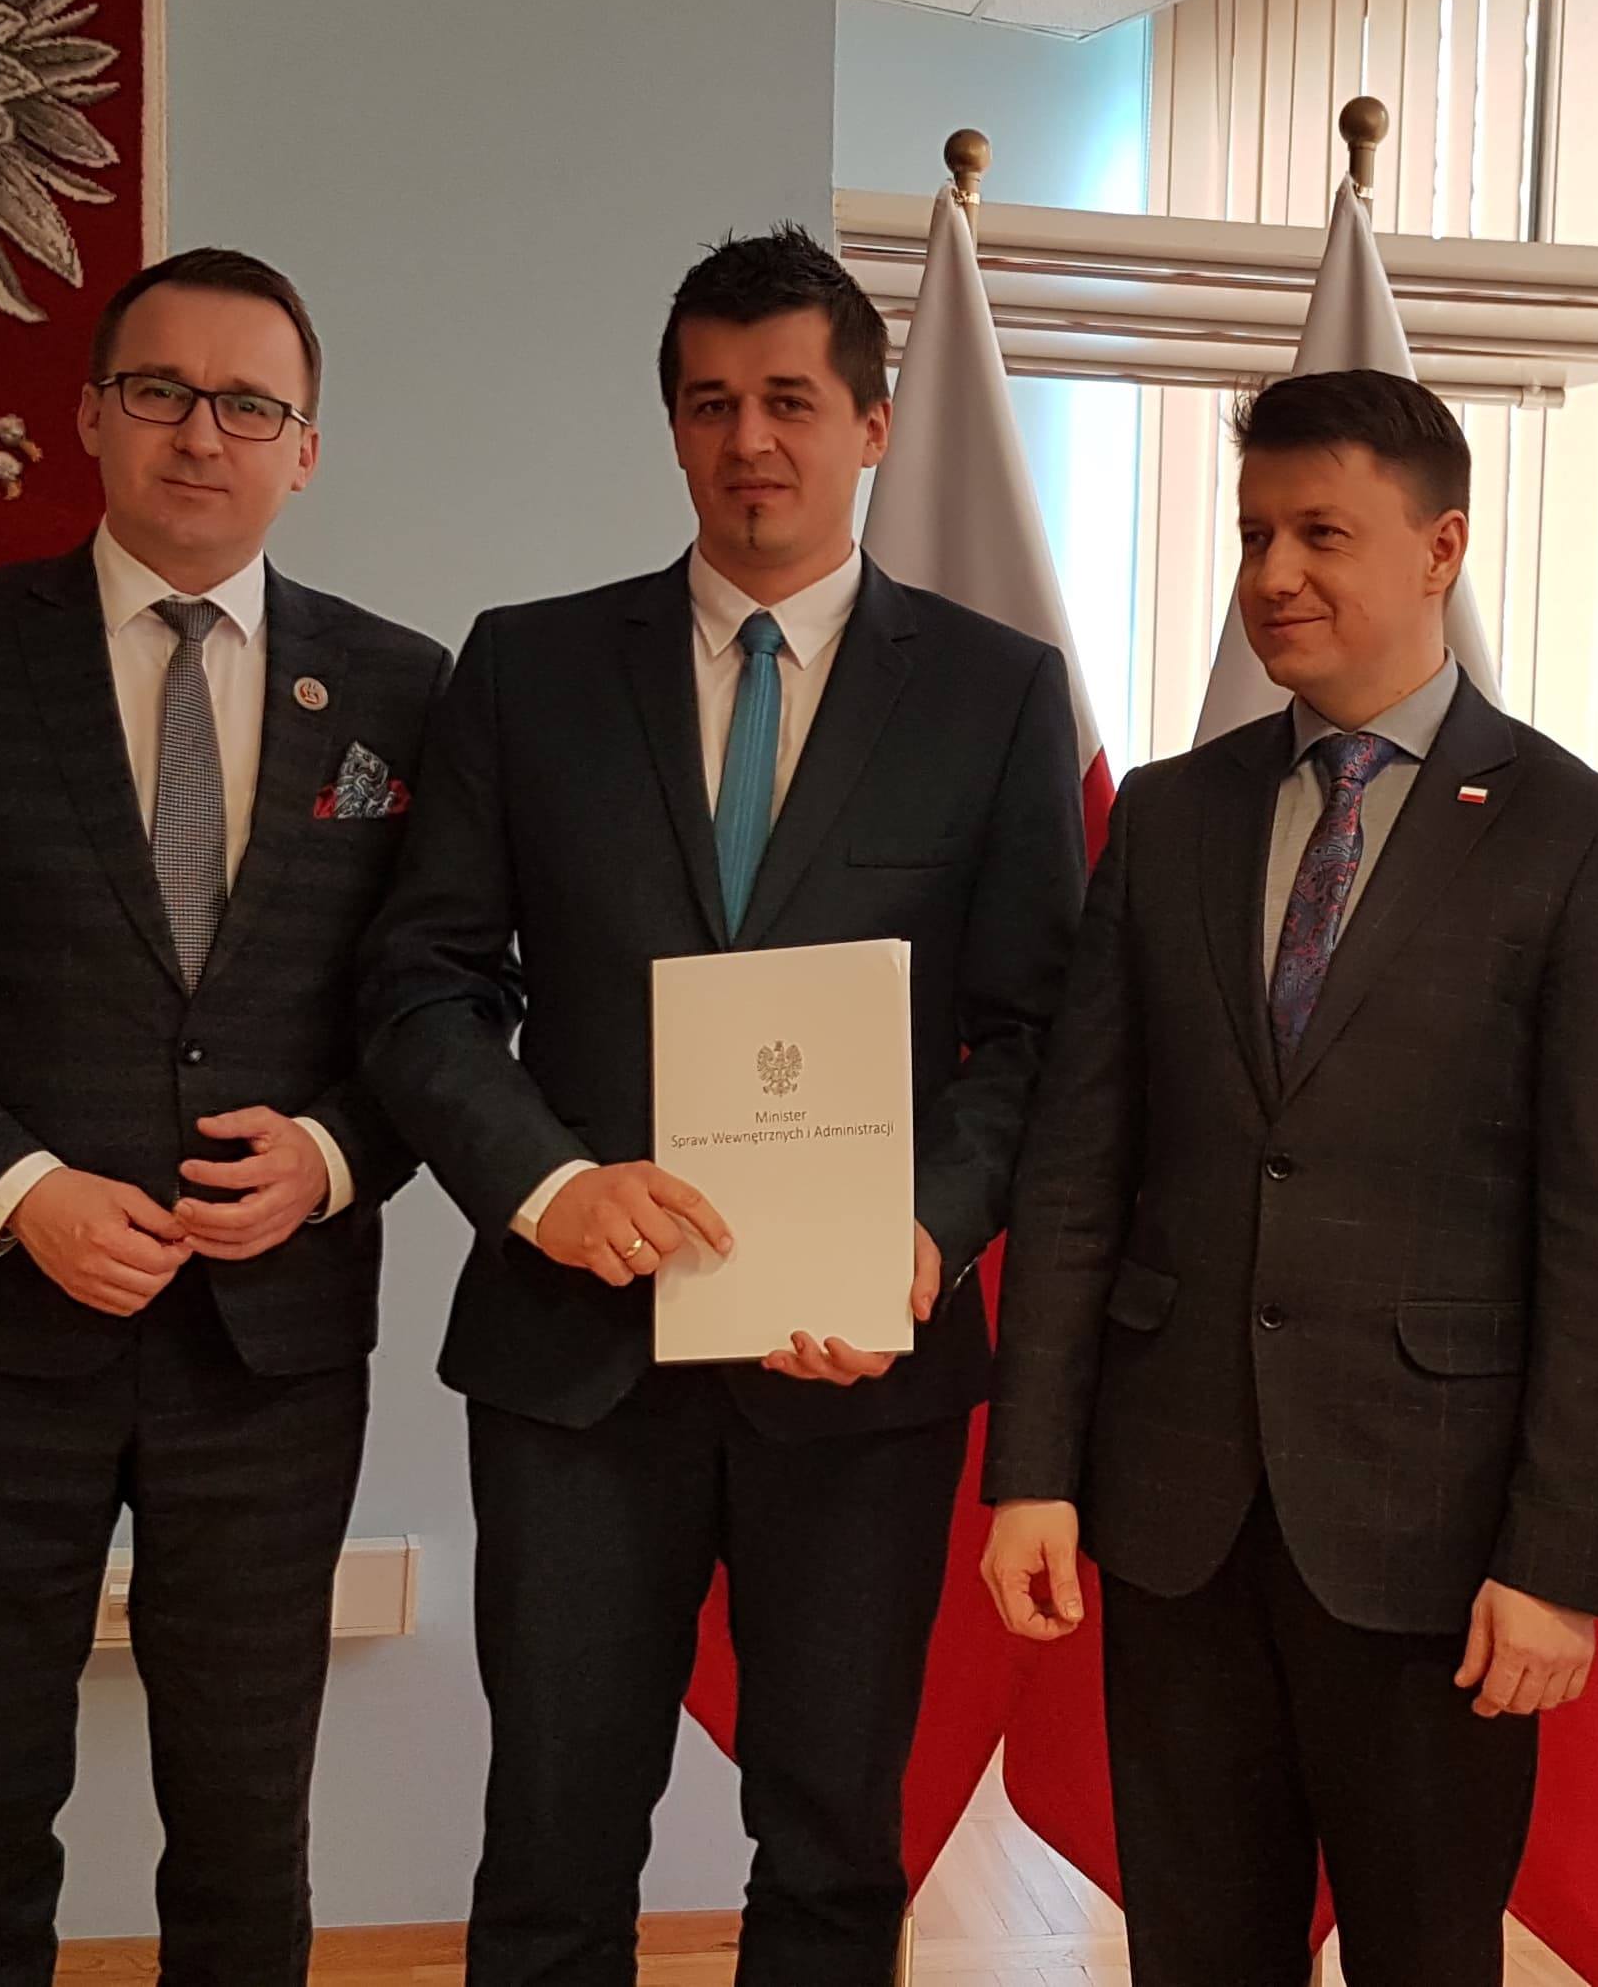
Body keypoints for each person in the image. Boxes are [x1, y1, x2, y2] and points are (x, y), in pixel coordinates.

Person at [359, 226, 1085, 1985]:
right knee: (554, 1839)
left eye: (788, 400)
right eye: (708, 404)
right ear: (673, 428)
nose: (748, 439)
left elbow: (1034, 1032)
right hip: (576, 1359)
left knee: (832, 1848)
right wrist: (550, 1187)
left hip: (857, 1369)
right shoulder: (527, 671)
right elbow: (422, 985)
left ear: (873, 425)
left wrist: (925, 1235)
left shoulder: (992, 693)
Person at [0, 247, 445, 1986]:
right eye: (161, 392)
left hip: (269, 1359)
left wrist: (334, 1158)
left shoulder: (404, 692)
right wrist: (15, 1188)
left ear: (306, 449)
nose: (202, 434)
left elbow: (445, 1008)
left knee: (245, 1841)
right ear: (88, 417)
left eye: (249, 404)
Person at [976, 368, 1598, 1987]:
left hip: (1433, 1535)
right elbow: (1079, 1169)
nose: (1275, 574)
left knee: (1425, 1956)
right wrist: (1034, 1469)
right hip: (1177, 1517)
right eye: (1253, 536)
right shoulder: (1170, 818)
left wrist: (1559, 1562)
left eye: (1321, 534)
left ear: (1441, 550)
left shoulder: (1582, 836)